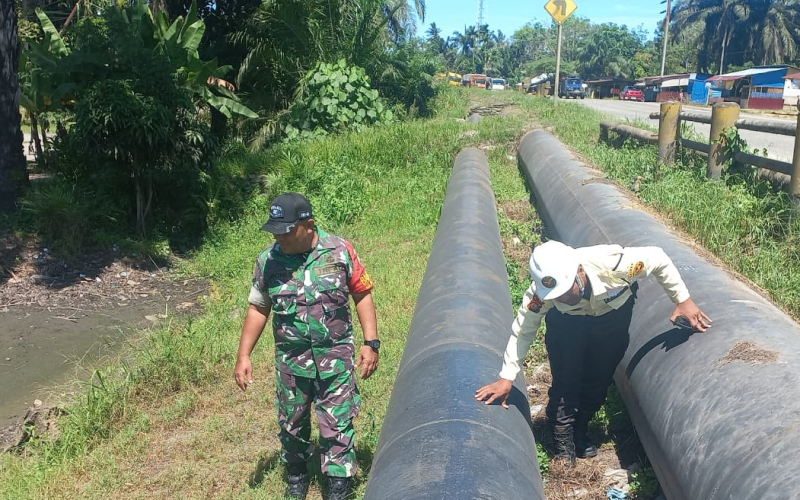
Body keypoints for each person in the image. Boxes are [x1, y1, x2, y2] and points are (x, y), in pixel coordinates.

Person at [475, 240, 712, 465]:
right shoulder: (542, 293)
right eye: (556, 296)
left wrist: (683, 300)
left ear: (579, 272)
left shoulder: (614, 264)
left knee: (599, 379)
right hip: (568, 325)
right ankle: (562, 438)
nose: (563, 298)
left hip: (613, 319)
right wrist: (507, 377)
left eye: (567, 292)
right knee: (567, 381)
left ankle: (580, 428)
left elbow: (658, 258)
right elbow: (522, 331)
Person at [235, 193, 380, 500]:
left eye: (286, 229)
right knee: (292, 423)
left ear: (308, 225)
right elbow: (258, 308)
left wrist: (371, 343)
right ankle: (297, 477)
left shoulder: (340, 251)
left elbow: (362, 293)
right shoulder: (269, 261)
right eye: (275, 229)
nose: (279, 236)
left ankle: (338, 485)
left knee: (338, 423)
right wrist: (244, 354)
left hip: (336, 359)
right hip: (292, 363)